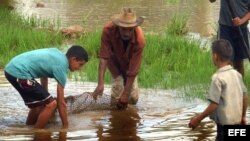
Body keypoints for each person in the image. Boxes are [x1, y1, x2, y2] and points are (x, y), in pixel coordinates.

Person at [4, 45, 88, 129]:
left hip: (11, 69)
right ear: (73, 59)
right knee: (52, 104)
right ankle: (37, 132)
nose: (80, 68)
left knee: (41, 104)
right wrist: (65, 127)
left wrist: (44, 98)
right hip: (19, 73)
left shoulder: (57, 55)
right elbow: (61, 103)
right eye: (80, 64)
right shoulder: (62, 66)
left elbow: (44, 74)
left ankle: (28, 128)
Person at [188, 39, 248, 141]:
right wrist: (243, 116)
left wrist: (197, 119)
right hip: (237, 124)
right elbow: (245, 97)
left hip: (224, 128)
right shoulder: (237, 74)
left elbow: (214, 104)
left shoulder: (217, 78)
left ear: (215, 56)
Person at [92, 7, 145, 109]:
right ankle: (116, 117)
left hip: (130, 64)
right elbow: (104, 57)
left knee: (132, 97)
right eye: (123, 29)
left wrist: (126, 94)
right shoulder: (108, 30)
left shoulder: (139, 40)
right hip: (114, 63)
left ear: (134, 27)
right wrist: (100, 83)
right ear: (118, 26)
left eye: (130, 30)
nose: (126, 33)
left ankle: (129, 118)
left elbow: (133, 70)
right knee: (118, 90)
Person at [209, 0, 250, 77]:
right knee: (224, 62)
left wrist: (241, 21)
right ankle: (224, 85)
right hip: (225, 27)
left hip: (242, 27)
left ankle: (239, 86)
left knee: (239, 63)